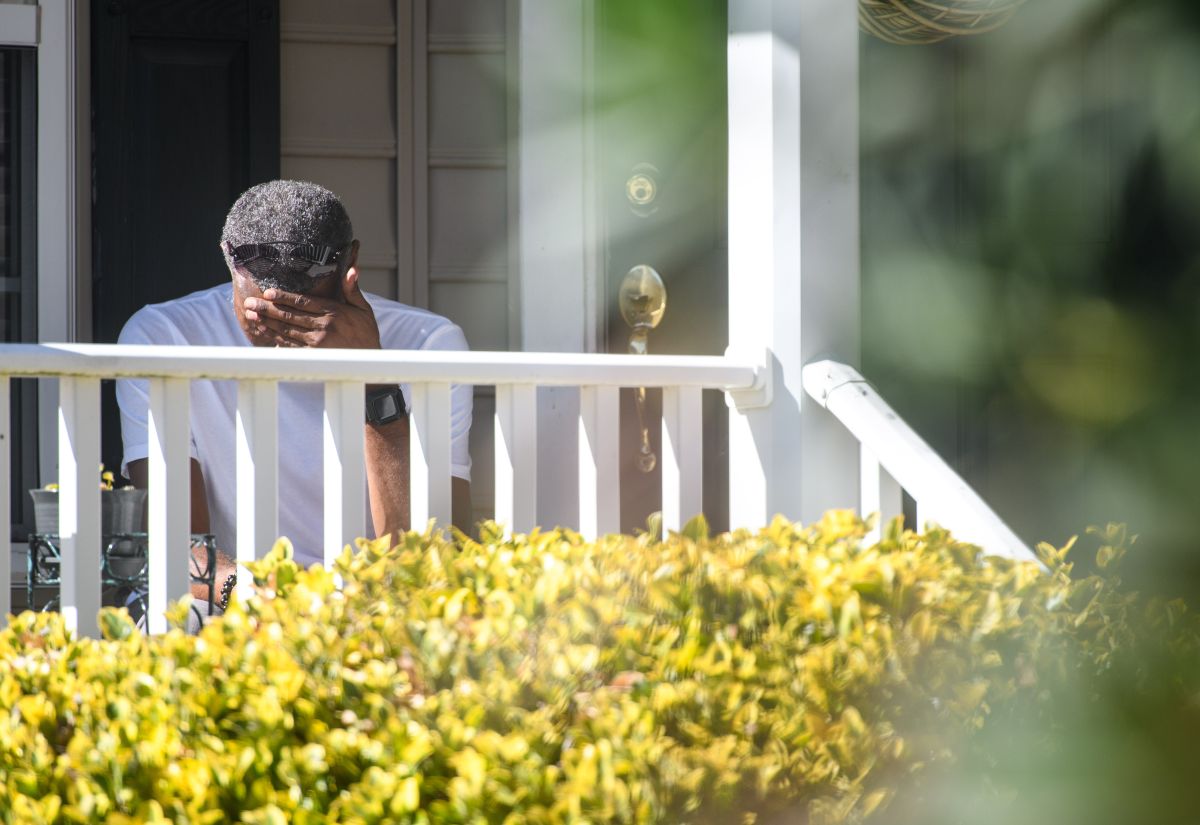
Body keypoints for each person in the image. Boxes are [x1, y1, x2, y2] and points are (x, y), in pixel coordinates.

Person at [116, 180, 473, 605]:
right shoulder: (163, 338)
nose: (280, 326)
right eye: (261, 308)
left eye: (305, 308)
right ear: (228, 259)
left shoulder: (429, 342)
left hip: (371, 608)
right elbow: (179, 547)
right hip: (234, 604)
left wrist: (375, 376)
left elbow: (425, 554)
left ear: (350, 266)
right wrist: (267, 599)